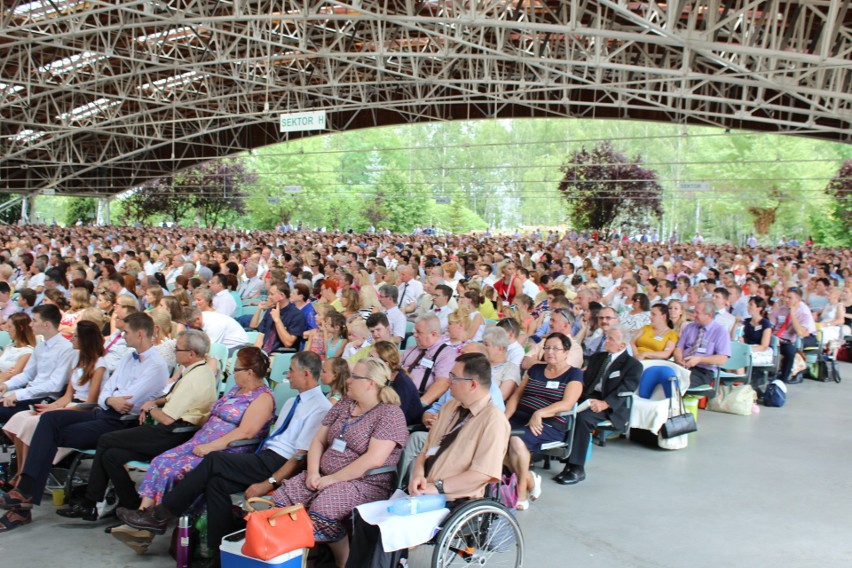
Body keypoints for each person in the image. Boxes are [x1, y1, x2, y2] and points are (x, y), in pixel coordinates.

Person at [114, 351, 330, 557]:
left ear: (306, 374)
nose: (287, 375)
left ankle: (160, 515)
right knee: (215, 483)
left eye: (290, 370)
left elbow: (300, 456)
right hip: (264, 456)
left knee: (214, 460)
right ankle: (217, 551)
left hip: (277, 463)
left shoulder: (320, 407)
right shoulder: (293, 402)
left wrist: (270, 483)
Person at [0, 312, 168, 530]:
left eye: (125, 332)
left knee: (47, 434)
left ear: (140, 333)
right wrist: (110, 398)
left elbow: (130, 401)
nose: (121, 335)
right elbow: (106, 394)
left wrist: (111, 398)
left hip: (122, 422)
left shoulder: (156, 364)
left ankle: (24, 499)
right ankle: (25, 492)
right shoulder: (128, 356)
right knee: (49, 420)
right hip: (103, 411)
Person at [345, 352, 511, 567]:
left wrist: (437, 487)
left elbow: (482, 474)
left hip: (455, 499)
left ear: (472, 384)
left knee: (390, 529)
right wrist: (417, 474)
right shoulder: (450, 408)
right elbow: (425, 450)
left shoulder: (494, 421)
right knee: (366, 518)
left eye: (453, 377)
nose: (448, 381)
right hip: (424, 489)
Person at [56, 329, 217, 522]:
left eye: (178, 349)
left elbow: (166, 419)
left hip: (173, 433)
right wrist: (155, 403)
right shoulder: (200, 371)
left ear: (191, 354)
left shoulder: (193, 379)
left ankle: (91, 503)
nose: (174, 352)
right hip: (176, 430)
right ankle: (131, 507)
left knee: (106, 439)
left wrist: (148, 408)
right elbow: (171, 399)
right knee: (111, 456)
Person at [267, 358, 408, 567]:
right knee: (280, 500)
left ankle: (343, 559)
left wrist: (332, 479)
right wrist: (313, 472)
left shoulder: (390, 414)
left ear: (371, 383)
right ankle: (293, 557)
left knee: (323, 509)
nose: (348, 381)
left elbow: (374, 459)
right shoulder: (344, 404)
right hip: (323, 475)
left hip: (365, 483)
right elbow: (318, 440)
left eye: (354, 377)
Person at [2, 321, 106, 486]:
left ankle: (25, 477)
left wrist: (55, 411)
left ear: (85, 340)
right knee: (21, 418)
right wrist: (52, 407)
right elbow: (67, 395)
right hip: (69, 404)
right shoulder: (78, 361)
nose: (71, 339)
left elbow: (91, 403)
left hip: (83, 409)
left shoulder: (99, 365)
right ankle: (21, 471)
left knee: (32, 423)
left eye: (75, 336)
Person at [554, 324, 641, 486]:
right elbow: (583, 380)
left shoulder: (633, 365)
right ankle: (557, 454)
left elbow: (625, 389)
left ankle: (576, 467)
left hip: (610, 404)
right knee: (559, 407)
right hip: (587, 397)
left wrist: (606, 403)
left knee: (582, 418)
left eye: (610, 339)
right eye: (606, 337)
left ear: (622, 345)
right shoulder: (598, 357)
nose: (605, 341)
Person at [505, 332, 583, 508]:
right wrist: (503, 419)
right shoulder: (536, 369)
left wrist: (540, 413)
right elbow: (516, 397)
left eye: (556, 348)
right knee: (492, 438)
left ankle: (522, 492)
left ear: (566, 352)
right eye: (547, 347)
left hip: (549, 423)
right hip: (520, 417)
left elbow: (567, 403)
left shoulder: (574, 374)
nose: (550, 352)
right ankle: (529, 478)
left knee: (516, 440)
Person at [0, 304, 76, 422]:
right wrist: (7, 385)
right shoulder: (41, 346)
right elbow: (27, 375)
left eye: (34, 321)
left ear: (46, 324)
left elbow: (55, 385)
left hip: (45, 398)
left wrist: (19, 394)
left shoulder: (66, 348)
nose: (30, 325)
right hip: (30, 392)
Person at [399, 313, 455, 405]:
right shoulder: (412, 350)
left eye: (419, 332)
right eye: (414, 331)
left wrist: (419, 405)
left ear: (433, 334)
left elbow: (443, 383)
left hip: (417, 400)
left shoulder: (446, 354)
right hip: (397, 395)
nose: (414, 335)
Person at [674, 300, 731, 388]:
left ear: (709, 315)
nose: (694, 315)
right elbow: (679, 347)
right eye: (694, 312)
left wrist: (699, 359)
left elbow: (722, 359)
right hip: (682, 366)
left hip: (703, 371)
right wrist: (679, 359)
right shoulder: (690, 327)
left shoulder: (720, 332)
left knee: (677, 384)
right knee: (660, 377)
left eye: (697, 313)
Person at [769, 287, 817, 384]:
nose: (786, 300)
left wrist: (792, 314)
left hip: (787, 341)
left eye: (790, 298)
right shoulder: (779, 310)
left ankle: (783, 380)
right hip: (773, 338)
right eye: (786, 297)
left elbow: (800, 332)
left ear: (798, 300)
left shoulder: (804, 314)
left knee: (790, 352)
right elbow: (770, 326)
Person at [370, 340, 423, 426]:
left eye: (371, 358)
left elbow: (397, 414)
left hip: (404, 426)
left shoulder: (402, 381)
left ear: (385, 364)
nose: (367, 360)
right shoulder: (379, 377)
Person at [251, 281, 306, 354]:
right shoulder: (270, 311)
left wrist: (277, 320)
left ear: (282, 296)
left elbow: (288, 343)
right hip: (263, 354)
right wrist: (254, 354)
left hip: (279, 355)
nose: (269, 297)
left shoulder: (297, 315)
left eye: (272, 294)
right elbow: (261, 335)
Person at [482, 326, 521, 401]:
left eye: (486, 345)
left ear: (500, 348)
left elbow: (500, 396)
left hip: (489, 408)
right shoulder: (481, 363)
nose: (483, 347)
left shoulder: (511, 368)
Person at [0, 313, 36, 382]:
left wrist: (4, 374)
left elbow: (12, 376)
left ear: (20, 328)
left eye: (10, 327)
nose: (7, 330)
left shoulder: (28, 352)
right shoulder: (9, 346)